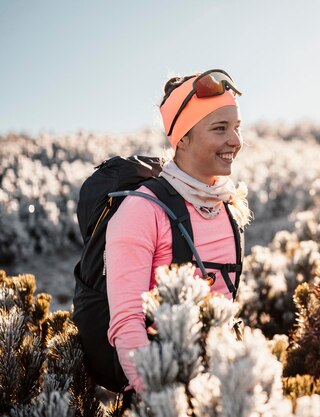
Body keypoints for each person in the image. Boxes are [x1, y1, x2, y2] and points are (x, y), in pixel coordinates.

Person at [104, 69, 252, 396]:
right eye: (220, 129)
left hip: (221, 390)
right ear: (182, 138)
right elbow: (127, 325)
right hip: (161, 393)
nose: (235, 141)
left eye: (237, 128)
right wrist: (161, 400)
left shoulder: (228, 206)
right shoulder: (142, 210)